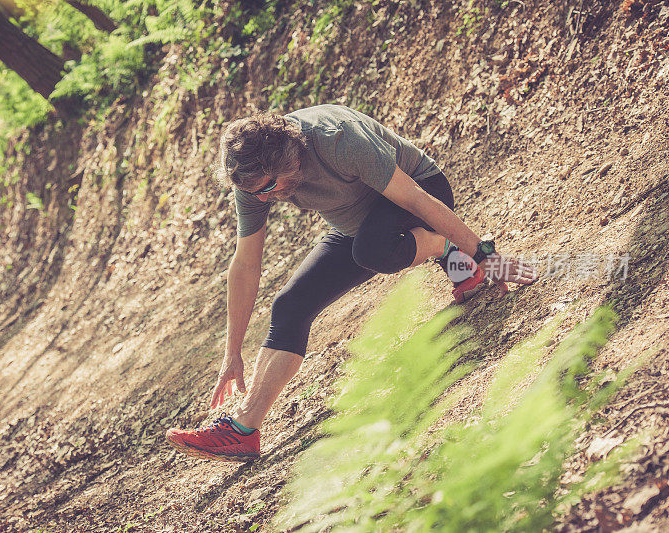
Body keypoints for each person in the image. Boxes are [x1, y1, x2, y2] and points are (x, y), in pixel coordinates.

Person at [165, 104, 538, 462]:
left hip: (421, 193)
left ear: (288, 160)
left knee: (373, 249)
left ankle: (448, 248)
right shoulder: (253, 180)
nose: (263, 198)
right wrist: (232, 352)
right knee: (290, 306)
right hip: (357, 228)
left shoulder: (338, 140)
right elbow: (246, 264)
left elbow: (418, 200)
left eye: (268, 188)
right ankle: (243, 431)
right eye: (255, 192)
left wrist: (486, 255)